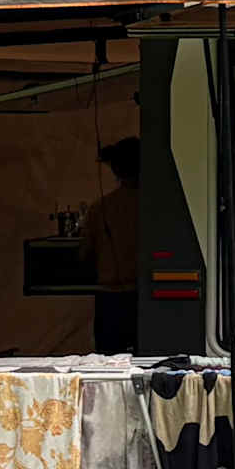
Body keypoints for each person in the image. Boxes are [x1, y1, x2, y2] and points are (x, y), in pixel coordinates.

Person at [85, 134, 143, 352]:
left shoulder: (100, 207)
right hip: (141, 294)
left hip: (109, 297)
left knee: (108, 362)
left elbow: (86, 252)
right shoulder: (155, 205)